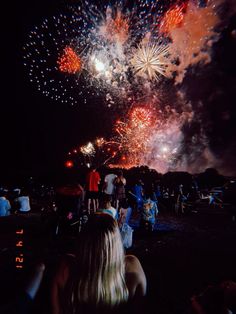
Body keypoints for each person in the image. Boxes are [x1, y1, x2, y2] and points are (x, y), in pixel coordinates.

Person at [51, 213, 147, 314]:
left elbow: (56, 310)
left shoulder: (66, 268)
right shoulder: (132, 267)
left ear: (84, 240)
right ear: (116, 241)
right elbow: (142, 306)